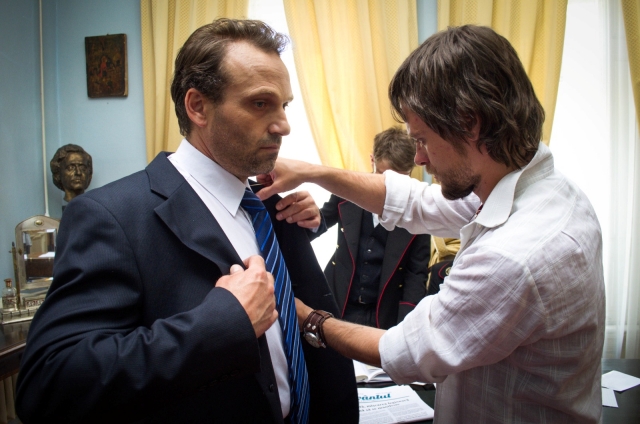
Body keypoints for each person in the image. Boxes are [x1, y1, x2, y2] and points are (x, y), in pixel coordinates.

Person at [16, 18, 358, 424]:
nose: (283, 124)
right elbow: (50, 383)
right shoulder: (112, 217)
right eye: (260, 103)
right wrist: (222, 322)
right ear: (197, 106)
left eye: (284, 105)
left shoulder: (269, 208)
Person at [257, 25, 605, 423]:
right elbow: (416, 202)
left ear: (470, 124)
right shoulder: (538, 188)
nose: (419, 159)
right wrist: (313, 172)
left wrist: (302, 314)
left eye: (421, 140)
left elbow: (406, 351)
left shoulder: (515, 256)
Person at [309, 127, 430, 329]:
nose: (390, 188)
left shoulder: (420, 209)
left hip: (384, 315)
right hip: (338, 301)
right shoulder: (349, 188)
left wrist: (406, 325)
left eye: (400, 180)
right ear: (372, 160)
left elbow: (416, 273)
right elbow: (318, 223)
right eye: (383, 176)